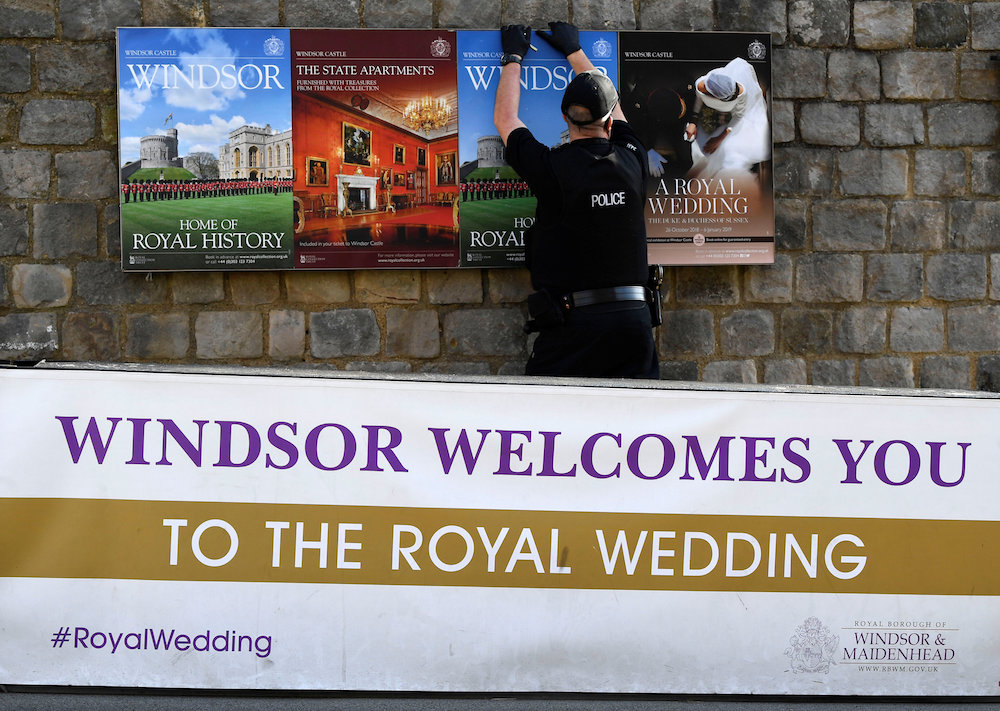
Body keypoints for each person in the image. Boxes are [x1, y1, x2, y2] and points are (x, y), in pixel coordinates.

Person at [493, 21, 659, 379]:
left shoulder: (551, 167)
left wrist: (512, 56)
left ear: (564, 117)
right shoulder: (633, 156)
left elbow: (506, 119)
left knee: (551, 421)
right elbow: (613, 107)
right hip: (634, 321)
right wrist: (574, 51)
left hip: (575, 325)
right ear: (609, 125)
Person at [686, 57, 770, 181]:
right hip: (719, 111)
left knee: (735, 148)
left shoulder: (741, 91)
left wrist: (720, 138)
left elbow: (739, 115)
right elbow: (699, 99)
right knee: (701, 148)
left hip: (740, 112)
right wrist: (693, 121)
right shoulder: (702, 84)